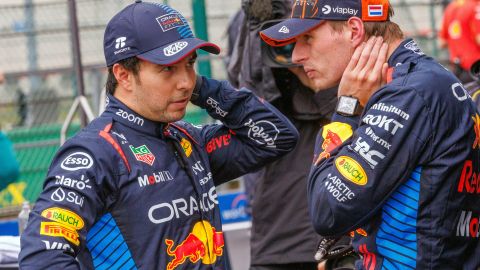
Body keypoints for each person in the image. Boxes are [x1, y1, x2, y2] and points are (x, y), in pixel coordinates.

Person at [18, 1, 299, 269]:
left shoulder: (189, 139)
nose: (186, 81)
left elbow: (277, 137)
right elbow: (43, 257)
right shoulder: (94, 155)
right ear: (124, 75)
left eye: (190, 64)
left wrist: (200, 89)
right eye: (167, 68)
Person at [261, 0, 480, 268]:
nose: (296, 55)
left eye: (308, 38)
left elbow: (327, 211)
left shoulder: (407, 94)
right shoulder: (415, 80)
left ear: (354, 30)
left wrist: (346, 111)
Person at [226, 1, 337, 269]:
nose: (297, 54)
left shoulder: (339, 10)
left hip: (339, 232)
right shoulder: (249, 16)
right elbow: (246, 95)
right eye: (287, 43)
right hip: (280, 230)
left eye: (307, 39)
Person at [439, 0, 480, 83]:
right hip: (475, 68)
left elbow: (442, 43)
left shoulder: (450, 8)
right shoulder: (476, 6)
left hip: (457, 69)